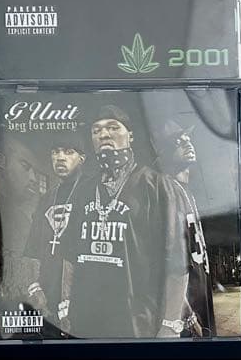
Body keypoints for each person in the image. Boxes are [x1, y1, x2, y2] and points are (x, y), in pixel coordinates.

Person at [58, 106, 189, 339]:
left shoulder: (157, 186)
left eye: (112, 128)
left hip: (137, 323)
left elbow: (177, 263)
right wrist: (66, 303)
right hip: (85, 321)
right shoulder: (84, 189)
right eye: (96, 130)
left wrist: (170, 324)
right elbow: (70, 254)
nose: (104, 135)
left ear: (130, 135)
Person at [155, 120, 215, 337]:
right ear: (165, 153)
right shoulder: (167, 190)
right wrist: (188, 317)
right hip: (184, 317)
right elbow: (169, 264)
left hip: (200, 299)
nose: (187, 143)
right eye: (178, 142)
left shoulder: (187, 192)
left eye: (187, 139)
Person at [22, 134, 85, 332]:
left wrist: (73, 296)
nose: (60, 157)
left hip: (81, 291)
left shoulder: (91, 192)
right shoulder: (48, 197)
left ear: (81, 158)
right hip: (46, 291)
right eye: (55, 152)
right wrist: (34, 287)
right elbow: (32, 247)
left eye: (68, 152)